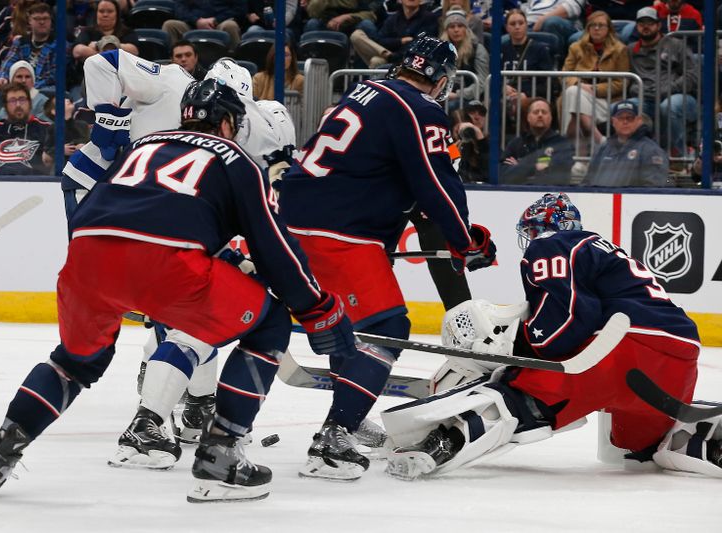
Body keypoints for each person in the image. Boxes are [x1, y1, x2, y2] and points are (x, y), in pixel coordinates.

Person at [0, 78, 356, 503]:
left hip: (87, 257)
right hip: (168, 268)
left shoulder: (143, 145)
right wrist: (318, 309)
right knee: (270, 322)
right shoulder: (238, 160)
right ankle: (221, 455)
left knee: (73, 363)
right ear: (227, 123)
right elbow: (276, 249)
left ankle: (0, 453)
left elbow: (125, 211)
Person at [61, 50, 297, 468]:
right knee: (181, 309)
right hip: (105, 196)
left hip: (149, 211)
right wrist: (106, 123)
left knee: (188, 308)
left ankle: (185, 401)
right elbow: (102, 63)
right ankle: (167, 404)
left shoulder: (261, 124)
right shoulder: (170, 82)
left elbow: (276, 185)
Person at [279, 35, 497, 481]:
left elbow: (376, 169)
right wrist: (466, 240)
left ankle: (350, 416)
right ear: (438, 78)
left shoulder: (364, 90)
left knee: (347, 323)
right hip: (338, 231)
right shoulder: (421, 108)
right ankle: (334, 436)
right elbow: (436, 184)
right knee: (388, 326)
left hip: (290, 222)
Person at [383, 192, 715, 481]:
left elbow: (570, 317)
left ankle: (439, 445)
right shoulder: (604, 249)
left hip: (623, 349)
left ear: (542, 226)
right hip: (678, 361)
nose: (529, 239)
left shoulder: (550, 244)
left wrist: (516, 353)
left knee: (517, 398)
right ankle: (704, 443)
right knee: (638, 445)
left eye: (529, 230)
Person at [560, 10, 630, 177]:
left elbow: (623, 82)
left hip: (607, 102)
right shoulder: (576, 48)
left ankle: (581, 159)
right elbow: (565, 75)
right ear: (588, 28)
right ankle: (600, 141)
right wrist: (578, 84)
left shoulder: (620, 50)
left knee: (573, 96)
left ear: (609, 29)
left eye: (601, 25)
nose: (597, 29)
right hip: (579, 97)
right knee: (572, 92)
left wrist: (595, 90)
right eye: (593, 25)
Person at [627, 6, 697, 159]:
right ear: (636, 27)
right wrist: (636, 89)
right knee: (625, 108)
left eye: (650, 23)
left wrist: (668, 89)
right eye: (641, 23)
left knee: (668, 106)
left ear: (658, 25)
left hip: (680, 97)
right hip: (646, 98)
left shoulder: (676, 44)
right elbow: (627, 78)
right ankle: (633, 158)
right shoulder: (631, 50)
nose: (645, 27)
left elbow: (692, 75)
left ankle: (681, 156)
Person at [583, 99, 669, 187]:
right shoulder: (603, 149)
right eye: (620, 118)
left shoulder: (651, 151)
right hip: (599, 200)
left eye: (630, 118)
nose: (625, 122)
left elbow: (653, 189)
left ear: (638, 120)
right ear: (613, 121)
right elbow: (588, 182)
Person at [0, 3, 60, 96]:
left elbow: (54, 76)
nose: (42, 22)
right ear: (29, 21)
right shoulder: (20, 42)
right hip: (21, 84)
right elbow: (8, 62)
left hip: (45, 88)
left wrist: (31, 86)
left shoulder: (59, 44)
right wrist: (2, 78)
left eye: (45, 18)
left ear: (51, 21)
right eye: (37, 19)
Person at [500, 97, 574, 185]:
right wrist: (536, 166)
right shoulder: (516, 143)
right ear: (528, 117)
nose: (540, 115)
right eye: (535, 112)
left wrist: (520, 166)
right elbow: (503, 175)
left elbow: (559, 175)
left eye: (544, 112)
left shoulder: (562, 144)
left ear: (550, 117)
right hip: (519, 194)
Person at [349, 0, 438, 69]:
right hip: (392, 56)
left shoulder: (429, 18)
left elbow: (419, 44)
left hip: (413, 61)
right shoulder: (393, 18)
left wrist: (396, 49)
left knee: (376, 61)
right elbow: (381, 41)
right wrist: (400, 41)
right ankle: (387, 56)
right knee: (357, 35)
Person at [500, 9, 554, 121]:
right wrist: (501, 87)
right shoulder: (500, 49)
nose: (517, 27)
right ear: (507, 27)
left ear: (526, 25)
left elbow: (548, 84)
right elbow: (491, 79)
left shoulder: (540, 49)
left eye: (521, 23)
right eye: (512, 24)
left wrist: (526, 94)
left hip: (531, 97)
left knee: (524, 105)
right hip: (505, 97)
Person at [441, 9, 487, 105]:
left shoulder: (478, 49)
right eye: (452, 26)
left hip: (470, 98)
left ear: (466, 29)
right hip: (443, 96)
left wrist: (458, 94)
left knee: (452, 106)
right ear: (446, 31)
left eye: (460, 26)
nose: (456, 30)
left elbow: (482, 82)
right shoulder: (439, 50)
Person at [161, 0, 247, 50]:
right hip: (192, 24)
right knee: (170, 25)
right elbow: (180, 8)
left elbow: (240, 10)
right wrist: (196, 21)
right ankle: (173, 62)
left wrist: (216, 20)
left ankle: (235, 64)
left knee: (230, 26)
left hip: (220, 23)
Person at [72, 0, 139, 62]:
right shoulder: (87, 31)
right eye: (101, 11)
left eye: (110, 11)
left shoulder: (127, 32)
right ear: (96, 14)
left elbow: (134, 51)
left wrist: (97, 46)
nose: (105, 15)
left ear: (117, 14)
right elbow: (77, 51)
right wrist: (115, 50)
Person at [453, 99, 489, 183]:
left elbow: (489, 172)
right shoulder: (451, 140)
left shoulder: (490, 142)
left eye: (482, 113)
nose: (477, 117)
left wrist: (480, 139)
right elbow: (453, 165)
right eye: (472, 112)